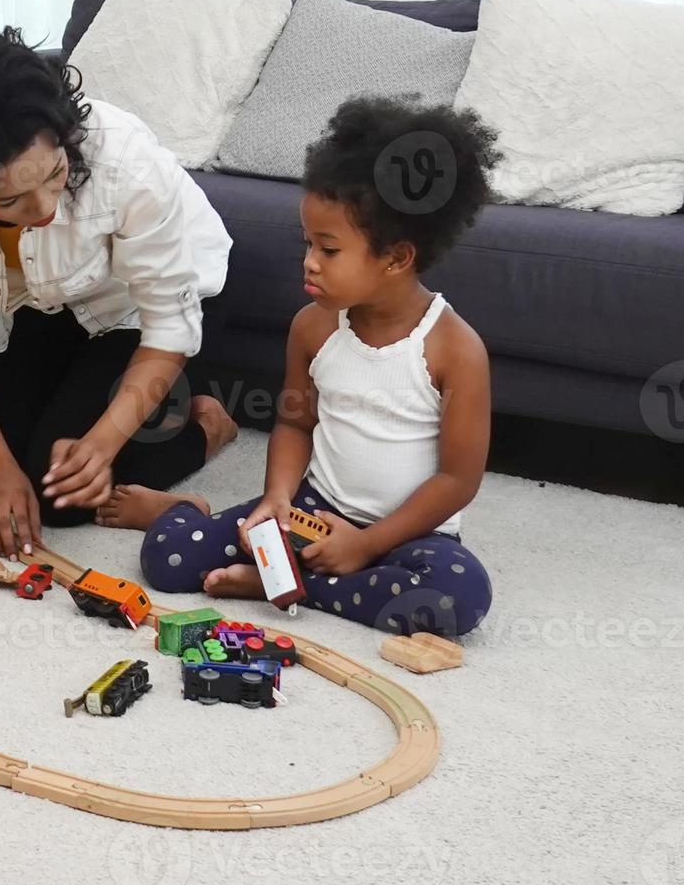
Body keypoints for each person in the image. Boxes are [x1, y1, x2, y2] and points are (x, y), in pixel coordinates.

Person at [97, 97, 502, 637]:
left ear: (397, 258)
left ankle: (284, 583)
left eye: (329, 249)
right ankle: (187, 510)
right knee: (169, 560)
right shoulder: (312, 328)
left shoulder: (456, 349)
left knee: (458, 595)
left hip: (407, 535)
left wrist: (367, 543)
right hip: (310, 510)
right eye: (308, 242)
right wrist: (277, 500)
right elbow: (294, 423)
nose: (309, 260)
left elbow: (457, 479)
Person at [0, 27, 238, 561]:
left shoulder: (125, 159)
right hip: (42, 307)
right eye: (11, 199)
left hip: (144, 306)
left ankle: (207, 424)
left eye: (55, 173)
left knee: (61, 493)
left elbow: (168, 320)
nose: (44, 207)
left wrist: (103, 444)